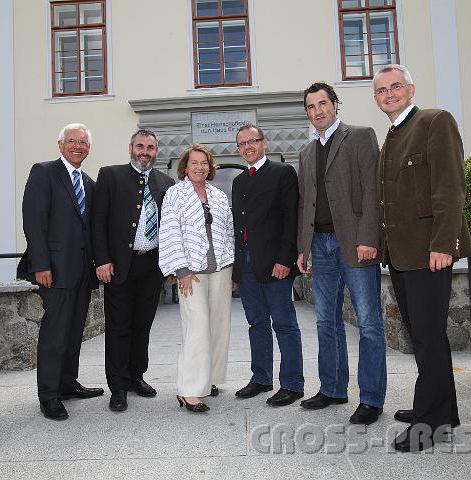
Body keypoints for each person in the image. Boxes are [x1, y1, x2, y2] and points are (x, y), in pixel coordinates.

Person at [372, 64, 471, 452]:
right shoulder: (393, 135)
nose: (389, 94)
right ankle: (441, 409)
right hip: (402, 255)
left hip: (429, 252)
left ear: (411, 90)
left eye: (396, 87)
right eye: (381, 90)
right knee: (423, 337)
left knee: (428, 337)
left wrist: (443, 244)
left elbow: (450, 186)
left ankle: (429, 424)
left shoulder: (434, 121)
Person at [296, 82, 387, 425]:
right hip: (319, 245)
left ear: (335, 104)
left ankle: (372, 399)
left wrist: (368, 237)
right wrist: (302, 248)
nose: (318, 111)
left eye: (323, 103)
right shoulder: (306, 152)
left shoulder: (360, 137)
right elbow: (306, 204)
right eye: (311, 106)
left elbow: (371, 191)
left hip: (355, 244)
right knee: (325, 321)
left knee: (368, 323)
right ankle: (333, 388)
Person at [20, 123, 103, 420]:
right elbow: (33, 220)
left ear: (89, 148)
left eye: (83, 142)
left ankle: (68, 383)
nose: (77, 146)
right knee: (55, 333)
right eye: (72, 141)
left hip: (81, 272)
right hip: (53, 270)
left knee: (73, 331)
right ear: (60, 145)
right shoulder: (44, 172)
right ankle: (49, 395)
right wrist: (41, 264)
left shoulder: (89, 183)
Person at [93, 129, 175, 413]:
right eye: (140, 146)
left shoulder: (166, 182)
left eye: (150, 147)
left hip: (151, 265)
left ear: (156, 151)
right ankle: (118, 386)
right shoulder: (110, 176)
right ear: (131, 148)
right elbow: (98, 222)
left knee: (142, 325)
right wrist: (102, 260)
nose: (145, 151)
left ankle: (136, 376)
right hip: (119, 266)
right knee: (118, 327)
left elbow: (172, 227)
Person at [231, 124, 304, 407]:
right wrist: (237, 269)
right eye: (242, 143)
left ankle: (292, 384)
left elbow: (291, 219)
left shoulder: (282, 173)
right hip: (247, 264)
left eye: (253, 141)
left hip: (275, 263)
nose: (248, 146)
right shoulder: (239, 181)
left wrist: (284, 259)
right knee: (256, 323)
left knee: (284, 324)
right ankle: (261, 378)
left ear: (265, 143)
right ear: (238, 149)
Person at [159, 144, 235, 413]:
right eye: (194, 163)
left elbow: (228, 232)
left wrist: (231, 267)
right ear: (185, 166)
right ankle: (189, 390)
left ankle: (210, 379)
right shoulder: (175, 194)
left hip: (220, 269)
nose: (200, 167)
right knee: (197, 327)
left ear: (210, 166)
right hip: (191, 272)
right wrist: (180, 269)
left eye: (204, 162)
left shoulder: (218, 195)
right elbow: (169, 231)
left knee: (218, 325)